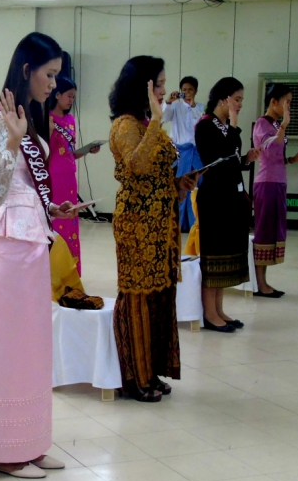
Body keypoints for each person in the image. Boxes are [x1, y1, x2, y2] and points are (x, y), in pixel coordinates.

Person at [0, 32, 76, 479]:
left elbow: (26, 190)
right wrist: (13, 141)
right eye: (49, 74)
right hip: (6, 245)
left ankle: (32, 443)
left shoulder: (31, 121)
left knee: (34, 347)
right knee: (8, 348)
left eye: (57, 75)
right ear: (25, 71)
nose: (54, 84)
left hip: (34, 239)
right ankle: (2, 449)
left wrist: (53, 208)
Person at [108, 56, 197, 402]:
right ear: (141, 86)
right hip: (136, 225)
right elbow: (138, 165)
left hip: (160, 222)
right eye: (157, 84)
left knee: (159, 295)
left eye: (162, 84)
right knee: (138, 297)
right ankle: (133, 377)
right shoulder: (126, 125)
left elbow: (156, 173)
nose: (163, 91)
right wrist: (158, 122)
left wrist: (178, 184)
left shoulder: (146, 122)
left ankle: (151, 370)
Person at [194, 77, 260, 332]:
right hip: (215, 199)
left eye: (241, 99)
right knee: (214, 256)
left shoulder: (224, 126)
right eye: (237, 99)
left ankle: (220, 309)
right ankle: (209, 313)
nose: (240, 104)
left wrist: (245, 159)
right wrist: (234, 126)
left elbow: (230, 158)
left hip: (231, 197)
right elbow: (216, 160)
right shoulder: (205, 125)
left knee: (227, 255)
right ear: (223, 99)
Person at [253, 83, 298, 297]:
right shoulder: (262, 124)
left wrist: (291, 160)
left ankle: (264, 281)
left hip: (277, 182)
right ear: (274, 102)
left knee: (272, 231)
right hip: (266, 184)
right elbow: (267, 148)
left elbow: (276, 156)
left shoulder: (276, 125)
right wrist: (283, 126)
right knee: (264, 232)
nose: (288, 107)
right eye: (287, 102)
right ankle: (260, 283)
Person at [48, 75, 100, 276]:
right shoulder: (47, 119)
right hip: (53, 178)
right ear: (57, 94)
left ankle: (72, 273)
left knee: (71, 223)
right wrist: (48, 131)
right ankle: (55, 272)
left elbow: (69, 154)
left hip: (70, 177)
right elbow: (43, 153)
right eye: (68, 96)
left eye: (73, 97)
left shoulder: (70, 120)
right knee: (58, 221)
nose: (71, 100)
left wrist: (87, 150)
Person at [163, 76, 205, 231]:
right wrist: (168, 102)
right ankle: (177, 223)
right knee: (178, 185)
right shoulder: (175, 107)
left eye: (190, 90)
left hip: (195, 152)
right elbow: (163, 117)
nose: (187, 93)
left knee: (196, 184)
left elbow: (201, 122)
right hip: (179, 152)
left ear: (195, 91)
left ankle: (195, 223)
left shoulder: (201, 107)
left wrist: (192, 105)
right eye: (184, 90)